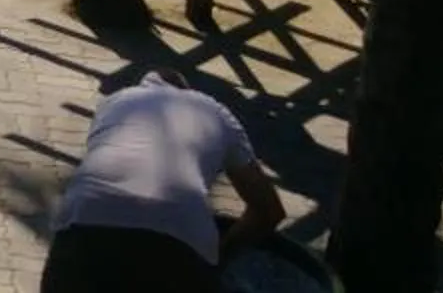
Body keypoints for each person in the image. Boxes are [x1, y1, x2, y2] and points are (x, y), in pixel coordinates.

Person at [42, 70, 285, 292]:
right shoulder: (216, 111)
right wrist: (222, 254)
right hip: (179, 242)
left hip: (85, 225)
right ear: (188, 92)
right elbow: (269, 211)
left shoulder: (116, 101)